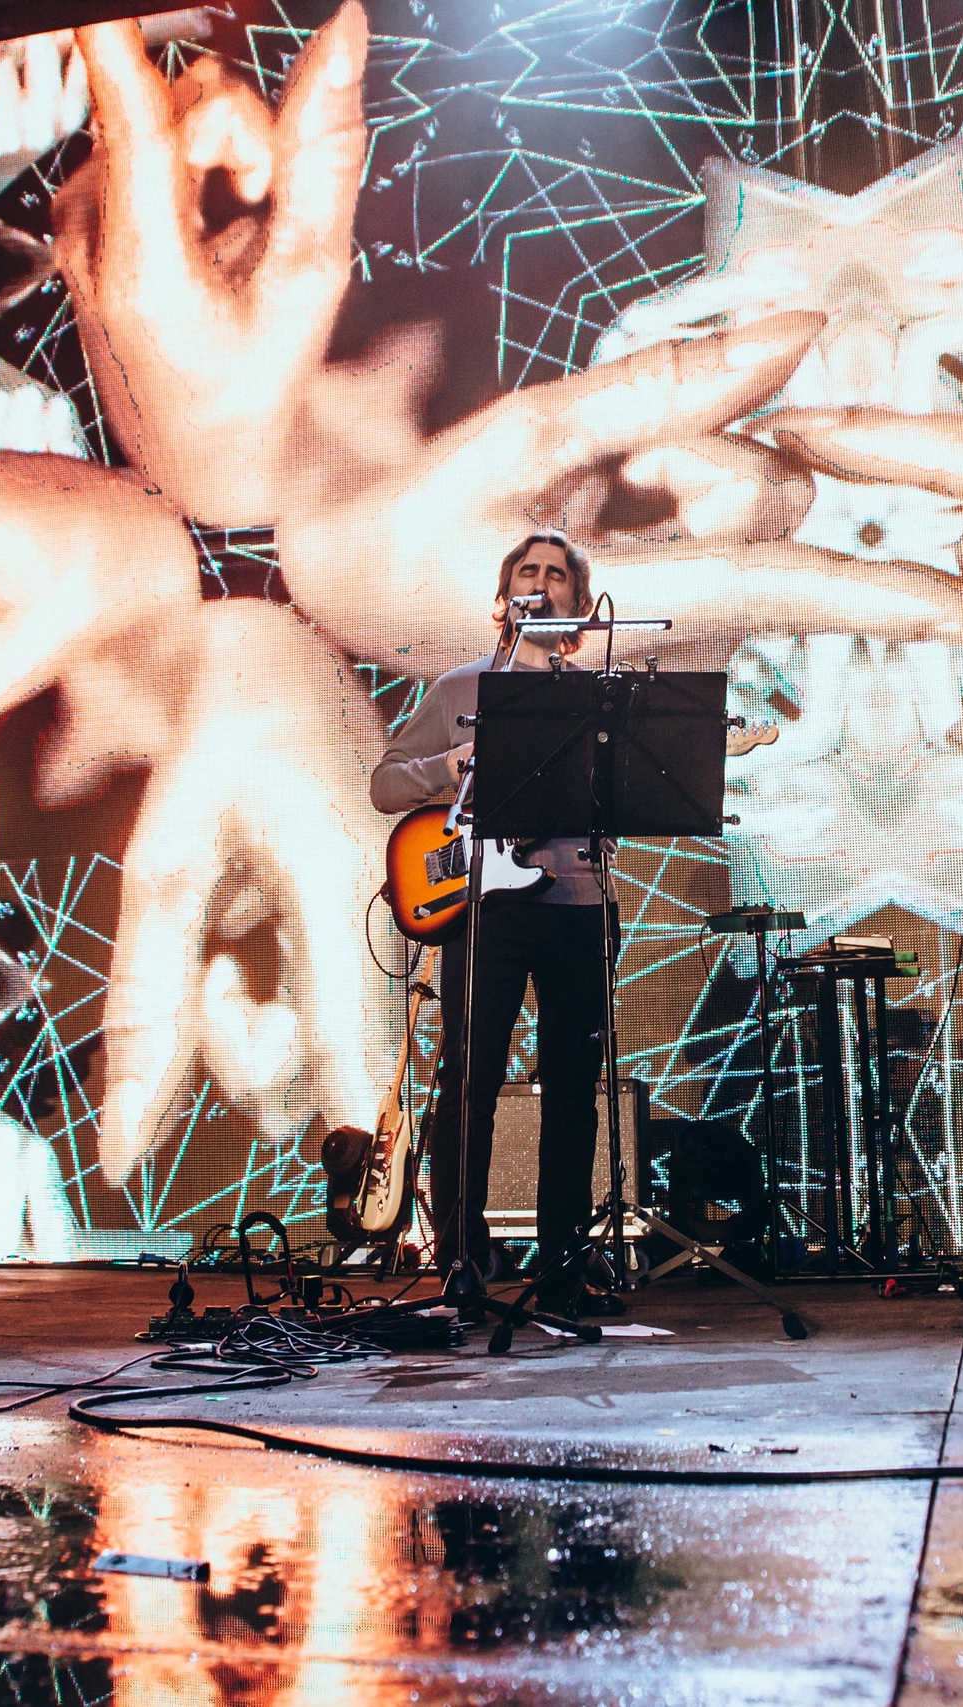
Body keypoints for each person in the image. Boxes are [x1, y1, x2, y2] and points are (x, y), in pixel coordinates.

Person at [369, 531, 618, 1314]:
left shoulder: (600, 695)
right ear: (505, 596)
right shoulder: (459, 689)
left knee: (572, 1089)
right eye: (527, 571)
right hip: (488, 909)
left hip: (579, 904)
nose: (541, 582)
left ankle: (563, 1267)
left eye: (557, 574)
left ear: (578, 603)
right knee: (469, 1082)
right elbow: (384, 784)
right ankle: (461, 1261)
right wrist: (445, 768)